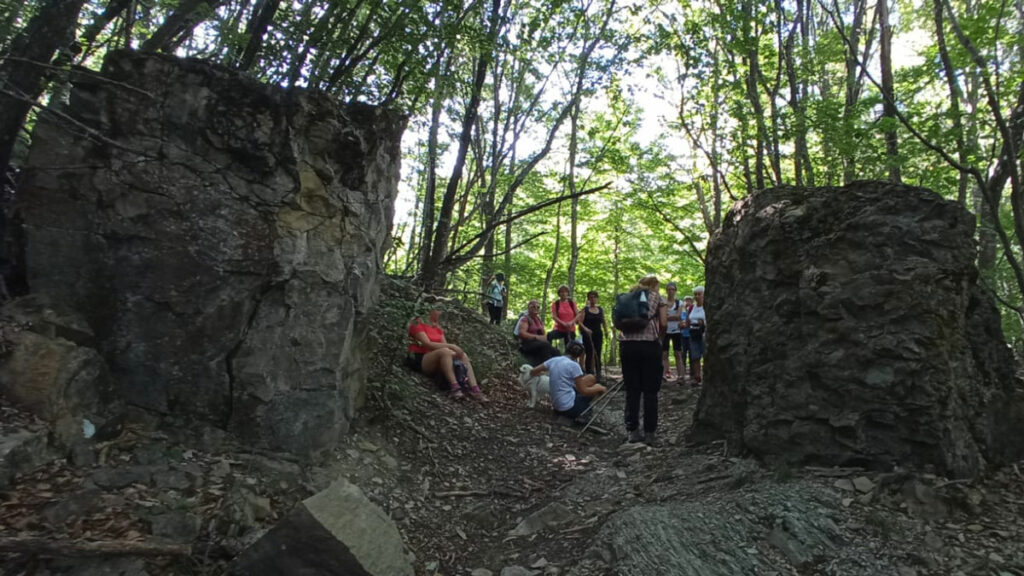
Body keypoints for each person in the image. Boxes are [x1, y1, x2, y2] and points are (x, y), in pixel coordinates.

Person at [619, 274, 668, 446]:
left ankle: (632, 431)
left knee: (632, 390)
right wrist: (659, 340)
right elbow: (663, 322)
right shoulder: (656, 297)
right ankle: (650, 433)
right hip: (649, 346)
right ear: (654, 285)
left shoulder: (628, 296)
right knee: (650, 391)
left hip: (627, 346)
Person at [408, 309, 488, 402]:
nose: (440, 313)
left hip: (439, 358)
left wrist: (457, 353)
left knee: (462, 355)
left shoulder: (437, 327)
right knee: (445, 351)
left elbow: (444, 344)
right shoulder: (417, 324)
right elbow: (427, 344)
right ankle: (455, 387)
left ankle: (475, 389)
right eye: (438, 310)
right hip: (421, 358)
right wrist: (452, 346)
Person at [529, 341, 606, 419]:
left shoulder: (554, 360)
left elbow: (533, 371)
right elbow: (583, 391)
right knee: (595, 388)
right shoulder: (574, 365)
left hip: (556, 406)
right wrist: (599, 388)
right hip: (568, 408)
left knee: (590, 378)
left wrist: (545, 374)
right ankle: (583, 414)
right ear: (580, 354)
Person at [516, 299, 560, 366]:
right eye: (533, 306)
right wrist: (537, 337)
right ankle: (543, 368)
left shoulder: (538, 319)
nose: (535, 308)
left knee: (556, 351)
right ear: (529, 308)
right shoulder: (525, 319)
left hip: (537, 343)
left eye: (537, 307)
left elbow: (543, 334)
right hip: (526, 344)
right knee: (545, 346)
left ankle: (558, 368)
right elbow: (522, 333)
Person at [578, 290, 609, 381]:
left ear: (597, 298)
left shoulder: (600, 309)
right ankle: (589, 374)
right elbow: (579, 322)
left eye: (594, 297)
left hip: (598, 333)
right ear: (588, 299)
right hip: (588, 334)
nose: (593, 299)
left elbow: (603, 321)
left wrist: (606, 331)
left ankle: (598, 373)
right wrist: (586, 329)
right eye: (591, 297)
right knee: (589, 353)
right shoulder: (585, 309)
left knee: (598, 353)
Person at [661, 282, 686, 382]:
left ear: (675, 291)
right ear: (666, 290)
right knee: (664, 353)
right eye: (669, 289)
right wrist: (671, 317)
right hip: (665, 330)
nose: (671, 291)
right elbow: (662, 316)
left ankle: (681, 376)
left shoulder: (679, 302)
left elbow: (679, 316)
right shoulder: (663, 302)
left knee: (678, 353)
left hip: (676, 331)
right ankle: (664, 374)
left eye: (673, 289)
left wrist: (667, 317)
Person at [547, 285, 578, 350]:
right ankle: (549, 353)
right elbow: (554, 316)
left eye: (565, 292)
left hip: (570, 329)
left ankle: (569, 359)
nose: (563, 293)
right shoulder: (556, 304)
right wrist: (563, 323)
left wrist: (571, 322)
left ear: (568, 293)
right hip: (559, 329)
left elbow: (577, 315)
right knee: (549, 335)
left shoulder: (572, 303)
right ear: (559, 293)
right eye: (561, 292)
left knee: (570, 348)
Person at [687, 285, 707, 384]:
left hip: (704, 334)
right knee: (695, 356)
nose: (697, 296)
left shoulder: (707, 307)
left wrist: (703, 323)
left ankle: (707, 376)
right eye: (695, 294)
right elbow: (688, 319)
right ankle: (697, 376)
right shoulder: (692, 307)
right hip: (693, 333)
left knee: (705, 354)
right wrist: (684, 324)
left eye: (699, 294)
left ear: (703, 295)